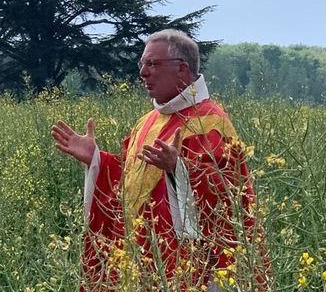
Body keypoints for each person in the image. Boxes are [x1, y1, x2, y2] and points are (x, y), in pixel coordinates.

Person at [51, 29, 271, 291]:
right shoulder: (147, 121)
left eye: (152, 64)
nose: (143, 72)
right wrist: (99, 161)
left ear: (182, 69)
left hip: (183, 263)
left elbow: (228, 201)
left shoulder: (210, 122)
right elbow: (135, 184)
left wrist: (178, 170)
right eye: (142, 64)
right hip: (139, 255)